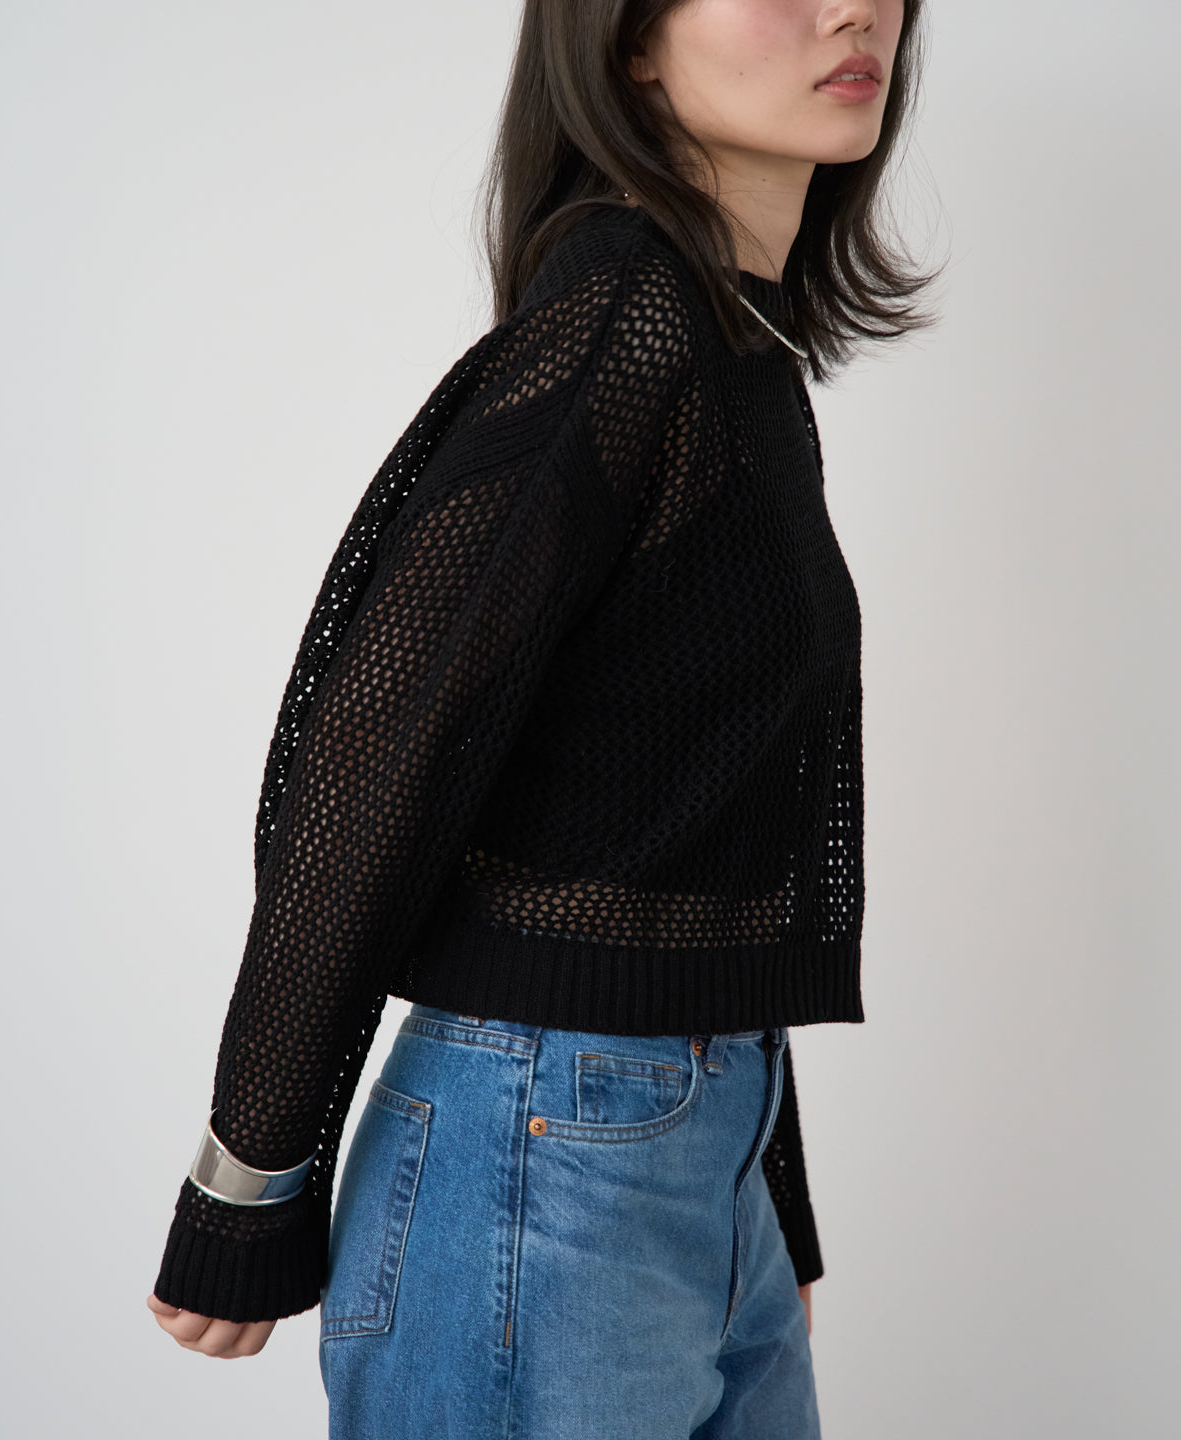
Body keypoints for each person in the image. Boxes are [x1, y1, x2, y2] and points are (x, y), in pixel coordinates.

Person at [147, 1, 939, 1435]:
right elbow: (383, 741)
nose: (853, 9)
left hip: (688, 1148)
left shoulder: (733, 344)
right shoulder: (623, 320)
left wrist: (768, 1190)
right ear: (627, 40)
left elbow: (689, 823)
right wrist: (247, 1174)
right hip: (546, 1154)